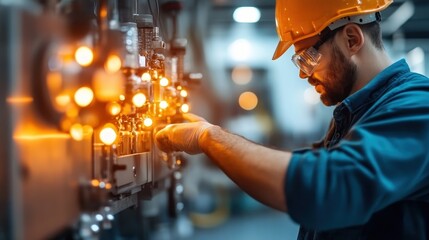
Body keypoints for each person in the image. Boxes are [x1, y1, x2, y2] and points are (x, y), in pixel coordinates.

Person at [155, 0, 429, 239]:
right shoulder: (357, 114)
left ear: (352, 40)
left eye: (308, 57)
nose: (303, 73)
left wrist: (208, 137)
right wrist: (211, 133)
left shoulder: (417, 107)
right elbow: (310, 168)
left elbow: (326, 187)